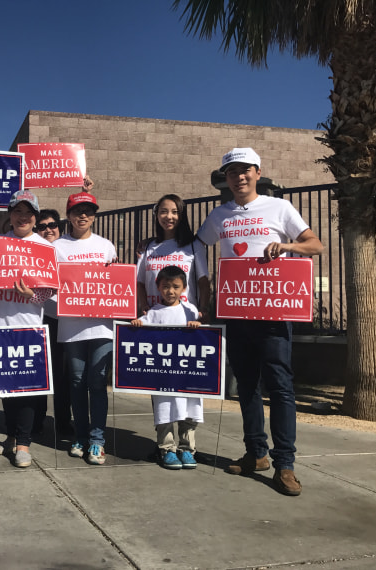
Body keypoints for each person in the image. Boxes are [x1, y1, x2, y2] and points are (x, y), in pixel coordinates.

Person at [197, 147, 324, 496]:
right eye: (232, 172)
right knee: (246, 387)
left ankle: (285, 464)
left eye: (245, 170)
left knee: (280, 387)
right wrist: (205, 283)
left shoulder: (279, 207)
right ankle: (257, 454)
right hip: (237, 312)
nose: (239, 177)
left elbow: (316, 245)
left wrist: (286, 247)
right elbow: (196, 246)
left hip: (273, 314)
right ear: (225, 178)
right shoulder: (218, 215)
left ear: (257, 172)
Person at [0, 190, 55, 468]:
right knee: (7, 387)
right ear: (10, 215)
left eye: (28, 213)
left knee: (28, 390)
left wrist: (32, 295)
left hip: (29, 329)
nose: (23, 217)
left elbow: (52, 291)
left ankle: (24, 444)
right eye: (18, 211)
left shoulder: (45, 248)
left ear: (35, 217)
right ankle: (10, 436)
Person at [136, 193, 210, 469]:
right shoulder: (148, 248)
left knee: (190, 391)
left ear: (182, 215)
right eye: (164, 211)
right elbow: (139, 283)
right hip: (156, 327)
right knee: (163, 392)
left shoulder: (192, 245)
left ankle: (188, 446)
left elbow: (203, 281)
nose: (169, 216)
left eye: (175, 211)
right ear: (156, 215)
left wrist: (203, 313)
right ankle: (165, 446)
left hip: (186, 328)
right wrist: (143, 310)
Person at [53, 189, 118, 465]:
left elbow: (116, 285)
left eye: (89, 211)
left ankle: (97, 440)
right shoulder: (57, 247)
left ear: (94, 216)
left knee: (97, 382)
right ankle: (80, 436)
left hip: (102, 326)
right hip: (71, 326)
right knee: (77, 383)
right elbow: (51, 287)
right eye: (78, 211)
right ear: (68, 215)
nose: (83, 215)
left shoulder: (106, 245)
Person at [131, 265, 203, 470]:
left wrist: (197, 325)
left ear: (184, 289)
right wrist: (137, 324)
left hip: (186, 375)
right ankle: (167, 449)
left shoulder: (190, 311)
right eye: (165, 286)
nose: (170, 291)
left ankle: (187, 449)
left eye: (175, 287)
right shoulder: (153, 312)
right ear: (158, 287)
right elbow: (142, 327)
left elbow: (204, 338)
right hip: (162, 377)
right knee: (165, 411)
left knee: (189, 411)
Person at [34, 208, 72, 436]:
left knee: (63, 375)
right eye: (42, 226)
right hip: (41, 316)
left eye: (52, 225)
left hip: (65, 319)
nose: (48, 229)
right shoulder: (33, 249)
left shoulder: (68, 246)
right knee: (41, 373)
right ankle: (37, 421)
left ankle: (63, 423)